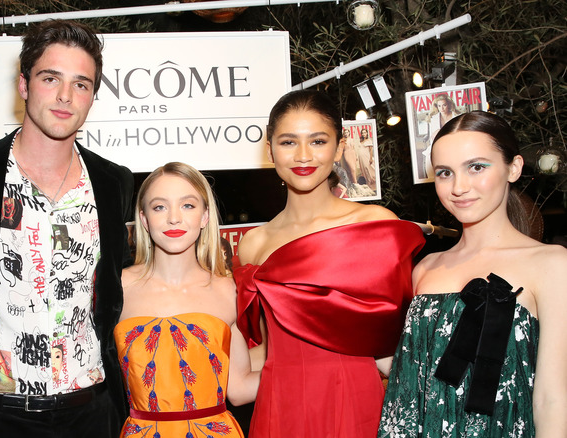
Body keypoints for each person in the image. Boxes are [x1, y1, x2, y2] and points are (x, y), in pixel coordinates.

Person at [0, 19, 134, 438]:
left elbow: (114, 289)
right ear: (24, 85)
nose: (65, 96)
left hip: (91, 410)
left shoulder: (114, 182)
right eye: (50, 78)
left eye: (81, 84)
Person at [234, 89, 425, 437]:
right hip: (279, 402)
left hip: (352, 395)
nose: (303, 155)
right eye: (289, 142)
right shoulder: (252, 245)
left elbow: (392, 339)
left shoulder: (373, 225)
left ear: (339, 148)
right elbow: (258, 348)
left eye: (318, 141)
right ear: (270, 148)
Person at [378, 111, 567, 437]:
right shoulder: (424, 268)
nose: (459, 187)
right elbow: (411, 377)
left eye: (476, 167)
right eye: (444, 173)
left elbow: (551, 400)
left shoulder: (551, 264)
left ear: (514, 168)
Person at [116, 162, 260, 438]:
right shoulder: (117, 288)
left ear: (205, 216)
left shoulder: (229, 290)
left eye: (188, 206)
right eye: (159, 207)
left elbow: (239, 389)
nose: (173, 218)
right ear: (144, 219)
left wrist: (302, 364)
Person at [423, 94, 462, 179]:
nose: (442, 108)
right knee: (429, 157)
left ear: (448, 105)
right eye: (439, 106)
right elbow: (432, 137)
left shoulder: (457, 116)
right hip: (437, 144)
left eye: (444, 105)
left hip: (455, 144)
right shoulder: (433, 119)